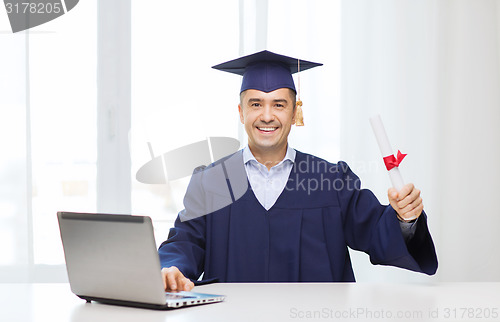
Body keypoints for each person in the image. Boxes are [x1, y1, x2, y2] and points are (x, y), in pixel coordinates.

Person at [158, 51, 438, 292]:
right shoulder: (212, 181)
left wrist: (405, 218)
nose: (267, 115)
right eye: (256, 104)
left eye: (279, 104)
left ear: (294, 113)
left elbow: (377, 230)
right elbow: (185, 242)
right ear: (241, 112)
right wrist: (172, 269)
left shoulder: (331, 180)